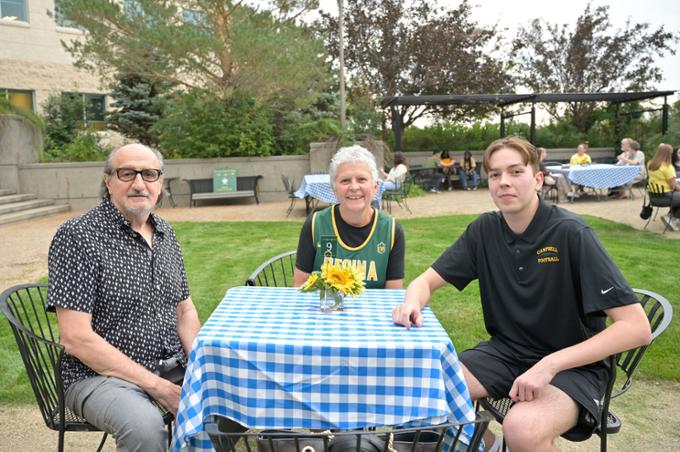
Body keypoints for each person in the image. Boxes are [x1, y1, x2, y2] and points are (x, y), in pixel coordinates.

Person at [392, 136, 652, 452]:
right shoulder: (484, 230)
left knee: (522, 429)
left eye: (516, 172)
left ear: (538, 179)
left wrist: (550, 364)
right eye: (495, 174)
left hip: (574, 366)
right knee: (424, 389)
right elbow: (426, 282)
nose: (504, 182)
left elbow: (637, 328)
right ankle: (487, 446)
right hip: (507, 352)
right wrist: (411, 302)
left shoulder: (571, 233)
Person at [47, 143, 201, 451]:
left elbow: (184, 311)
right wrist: (159, 387)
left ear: (160, 182)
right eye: (127, 173)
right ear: (108, 181)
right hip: (98, 376)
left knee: (231, 402)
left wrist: (201, 367)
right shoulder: (78, 236)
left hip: (171, 365)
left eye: (149, 174)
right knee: (144, 429)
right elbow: (76, 339)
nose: (139, 184)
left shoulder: (165, 233)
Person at [294, 145, 405, 289]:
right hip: (326, 310)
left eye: (361, 179)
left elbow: (393, 296)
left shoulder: (391, 231)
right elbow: (300, 286)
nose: (354, 187)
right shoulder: (316, 224)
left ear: (375, 187)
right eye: (345, 180)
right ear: (334, 189)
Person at [647, 143, 680, 231]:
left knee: (678, 197)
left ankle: (671, 217)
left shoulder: (650, 163)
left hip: (653, 196)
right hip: (666, 196)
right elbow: (674, 185)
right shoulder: (668, 167)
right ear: (669, 154)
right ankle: (672, 218)